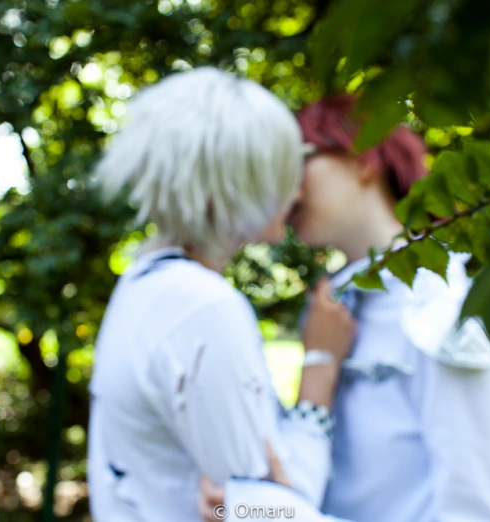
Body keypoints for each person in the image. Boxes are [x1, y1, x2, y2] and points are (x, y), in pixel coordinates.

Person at [201, 95, 490, 521]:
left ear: (361, 157)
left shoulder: (443, 300)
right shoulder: (332, 303)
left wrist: (250, 512)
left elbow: (473, 511)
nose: (284, 189)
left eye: (296, 161)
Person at [87, 68, 358, 522]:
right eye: (283, 172)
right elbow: (274, 509)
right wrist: (320, 369)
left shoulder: (143, 284)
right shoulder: (202, 305)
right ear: (242, 184)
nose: (297, 191)